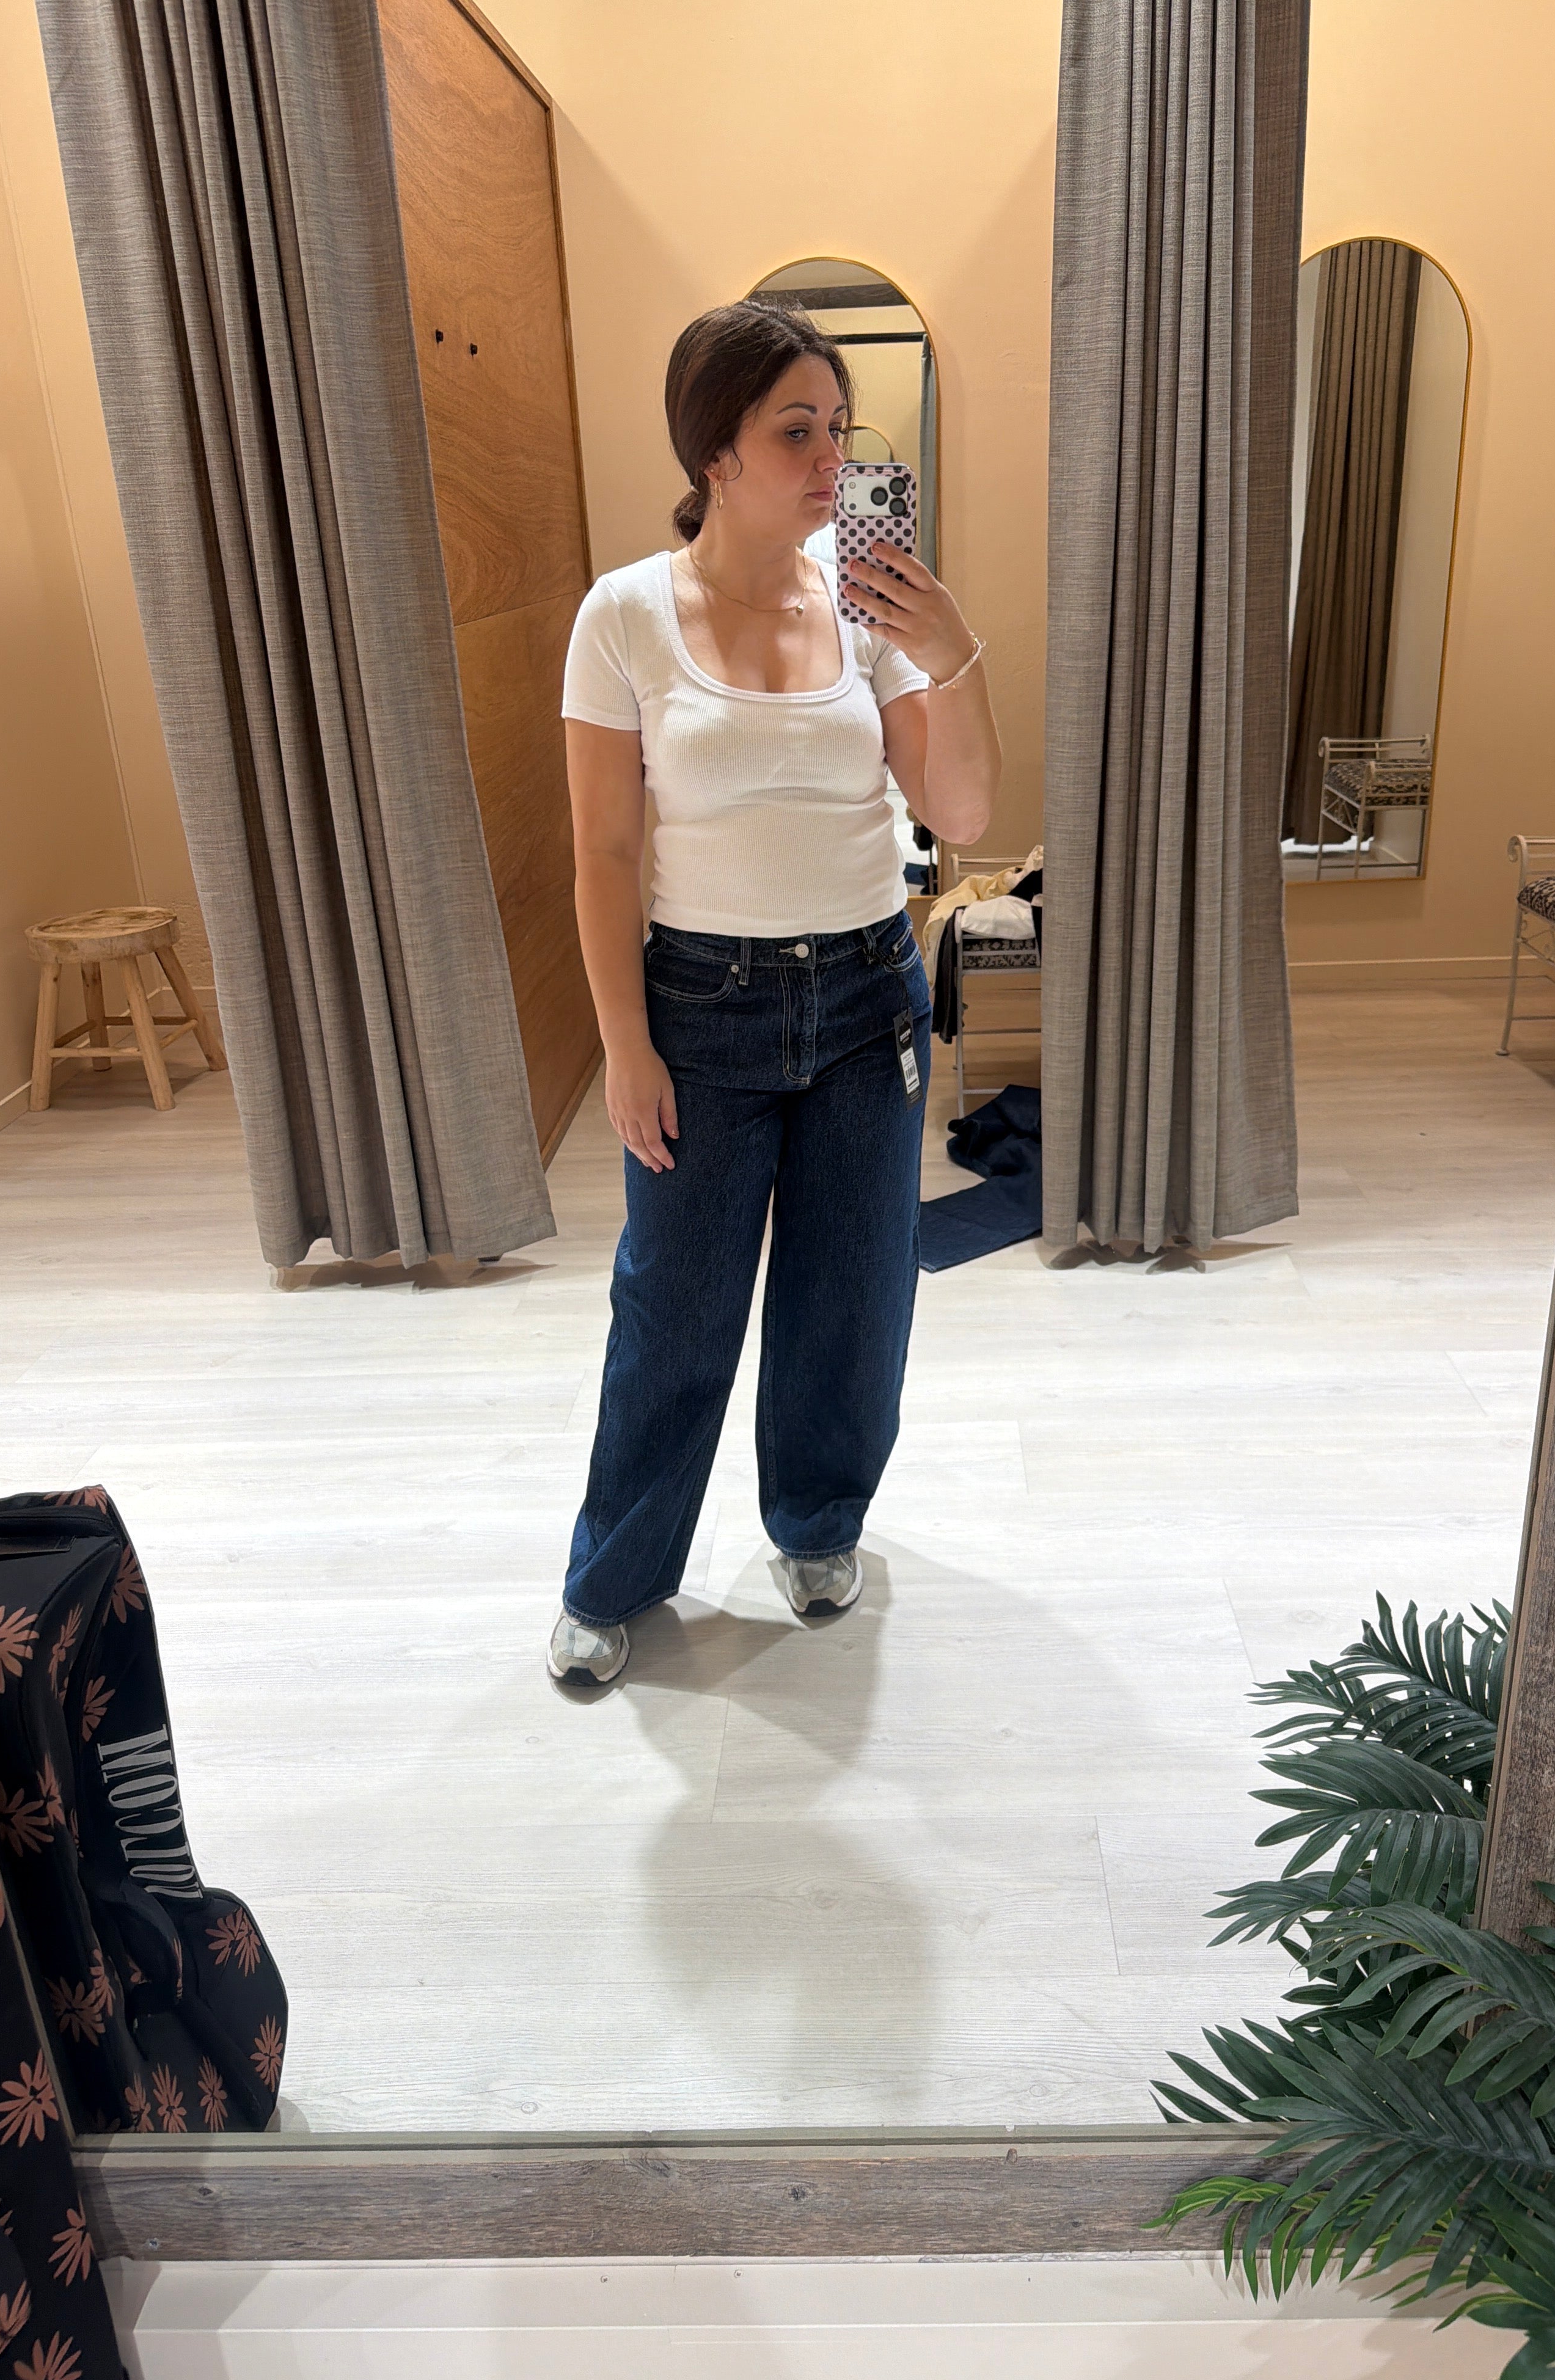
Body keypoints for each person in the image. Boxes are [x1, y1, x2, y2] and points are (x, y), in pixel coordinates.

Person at [549, 301, 1001, 1689]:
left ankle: (817, 1524)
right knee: (672, 1311)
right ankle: (617, 1574)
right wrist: (625, 1044)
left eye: (839, 431)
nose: (828, 461)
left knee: (851, 1299)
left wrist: (953, 649)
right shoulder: (625, 616)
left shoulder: (867, 612)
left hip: (868, 1000)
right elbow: (603, 854)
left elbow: (963, 812)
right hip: (702, 1006)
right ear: (717, 453)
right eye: (795, 431)